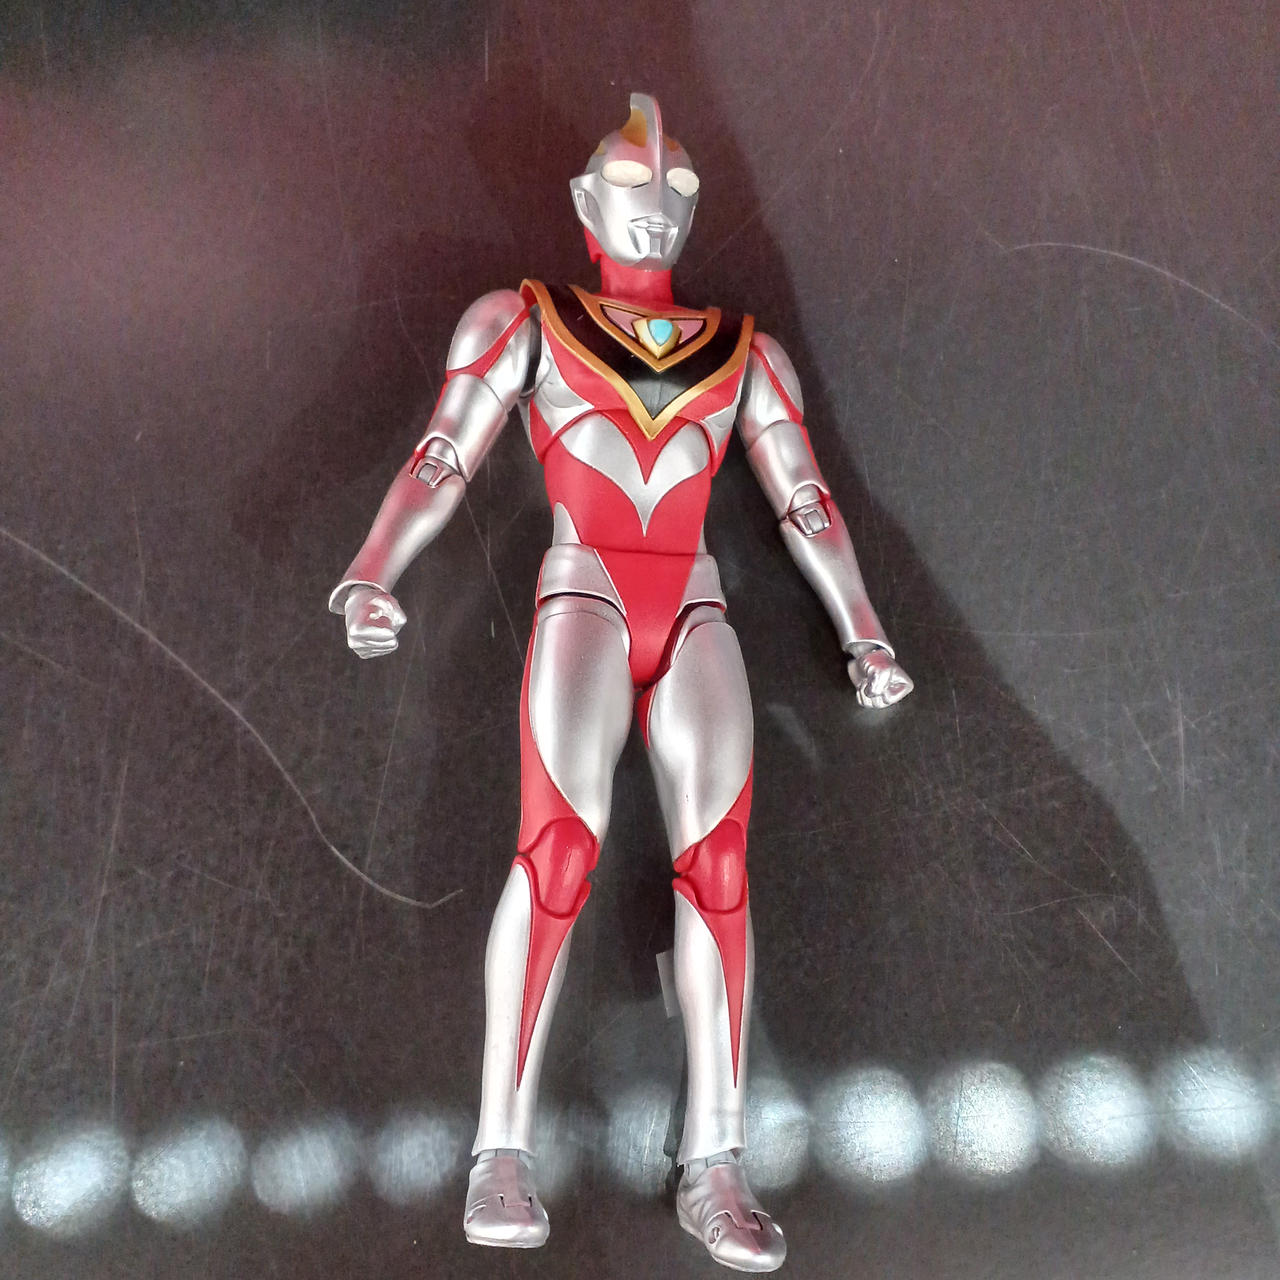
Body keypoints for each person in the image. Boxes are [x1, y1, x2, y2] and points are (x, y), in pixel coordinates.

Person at [330, 93, 912, 1273]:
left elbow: (803, 497)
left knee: (722, 867)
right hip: (584, 587)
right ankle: (500, 1147)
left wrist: (863, 628)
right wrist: (370, 570)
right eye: (632, 190)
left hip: (691, 599)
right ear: (586, 206)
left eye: (674, 192)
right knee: (555, 852)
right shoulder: (523, 320)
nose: (653, 209)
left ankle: (716, 1159)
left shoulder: (743, 350)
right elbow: (443, 452)